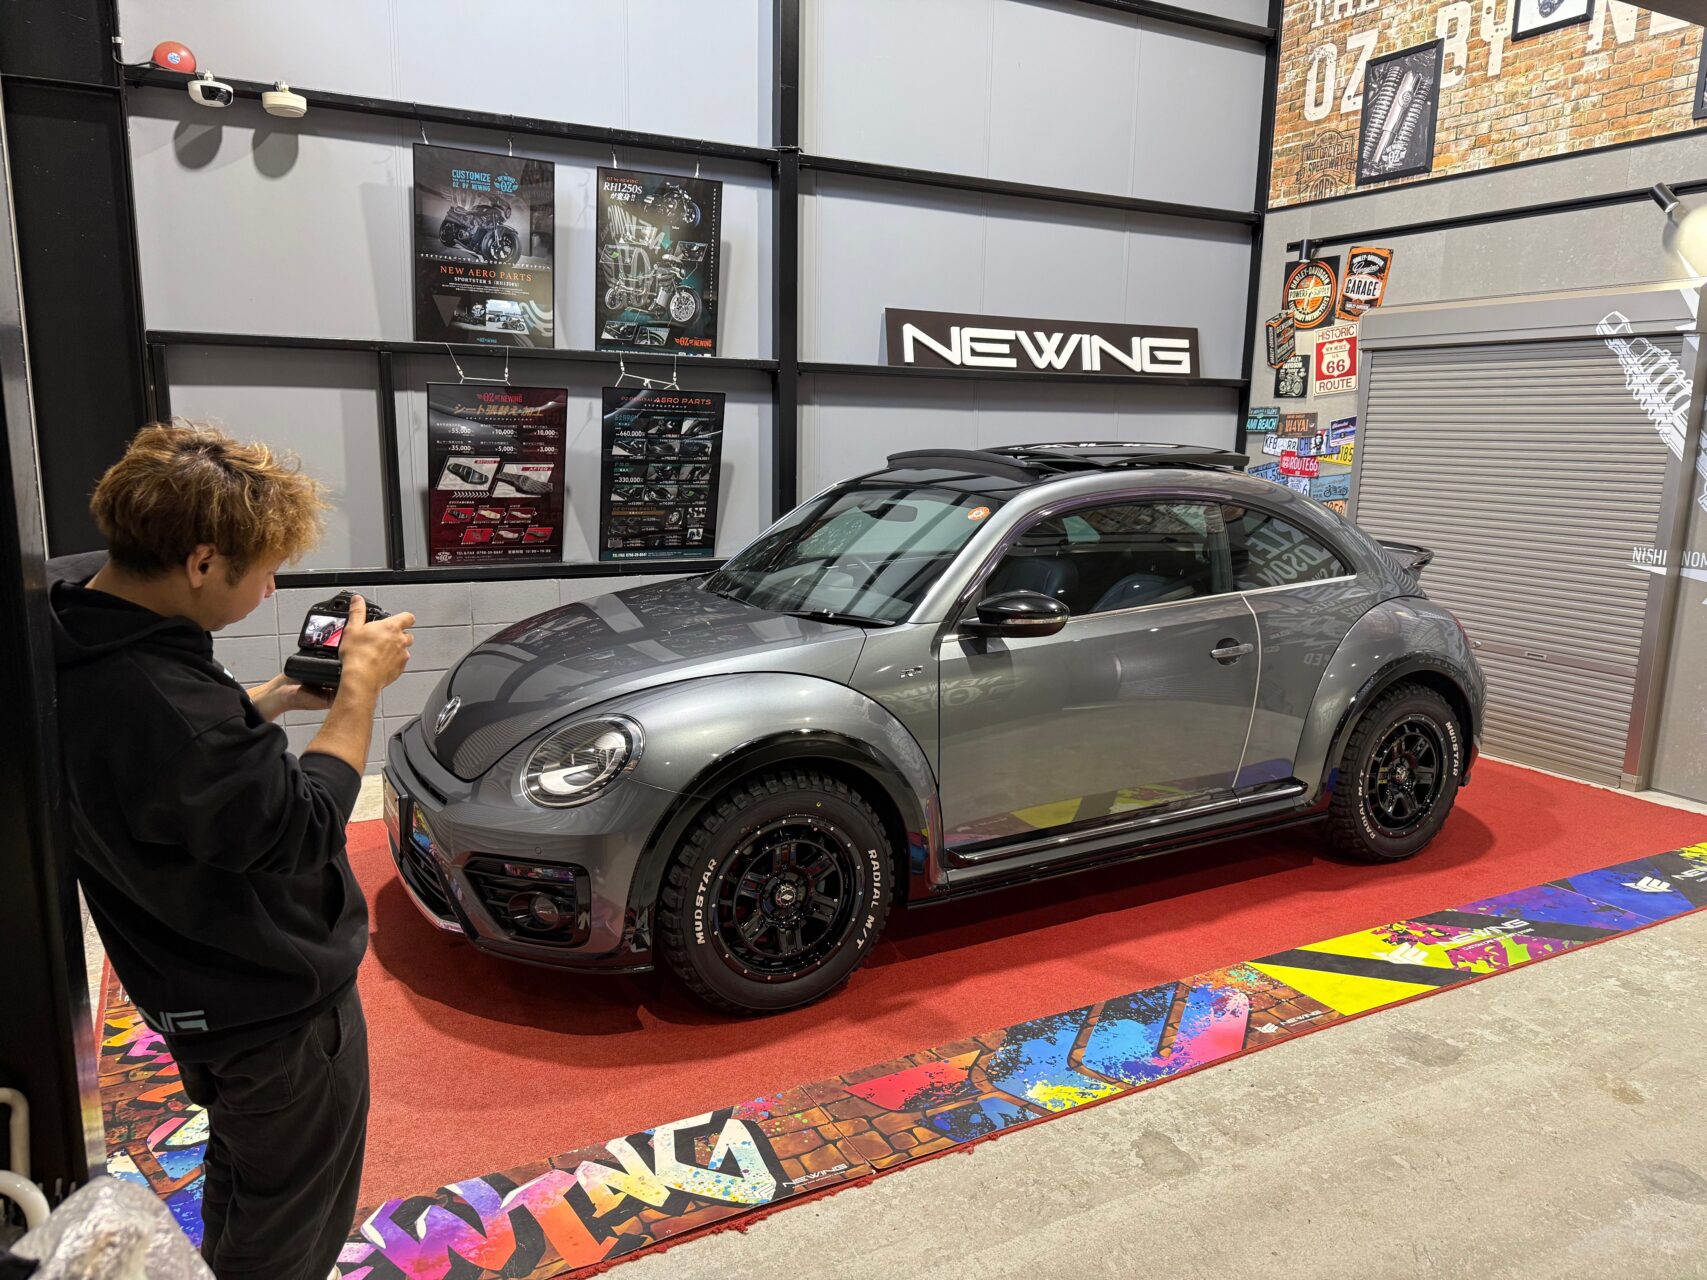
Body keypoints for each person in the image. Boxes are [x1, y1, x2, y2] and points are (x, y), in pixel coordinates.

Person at [49, 420, 415, 1280]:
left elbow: (166, 761)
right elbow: (304, 826)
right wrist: (357, 695)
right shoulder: (166, 698)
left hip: (196, 985)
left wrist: (278, 696)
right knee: (289, 1224)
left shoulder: (77, 625)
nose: (271, 585)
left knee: (249, 1179)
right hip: (273, 1010)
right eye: (264, 571)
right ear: (203, 562)